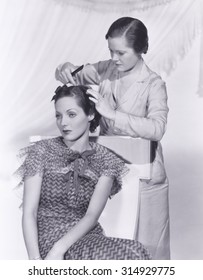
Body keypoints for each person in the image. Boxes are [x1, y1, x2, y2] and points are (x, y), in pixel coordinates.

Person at [55, 17, 170, 259]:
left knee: (148, 249)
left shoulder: (154, 83)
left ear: (141, 50)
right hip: (109, 172)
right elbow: (66, 72)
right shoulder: (106, 69)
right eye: (110, 51)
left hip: (145, 174)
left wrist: (112, 114)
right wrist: (64, 67)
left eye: (121, 52)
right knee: (110, 244)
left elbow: (157, 128)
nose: (114, 58)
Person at [16, 85, 150, 260]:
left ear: (90, 114)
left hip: (85, 237)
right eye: (58, 115)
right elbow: (29, 213)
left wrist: (60, 249)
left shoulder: (105, 160)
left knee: (137, 251)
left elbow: (91, 216)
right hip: (49, 237)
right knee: (125, 259)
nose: (63, 122)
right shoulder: (41, 152)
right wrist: (35, 263)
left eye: (71, 114)